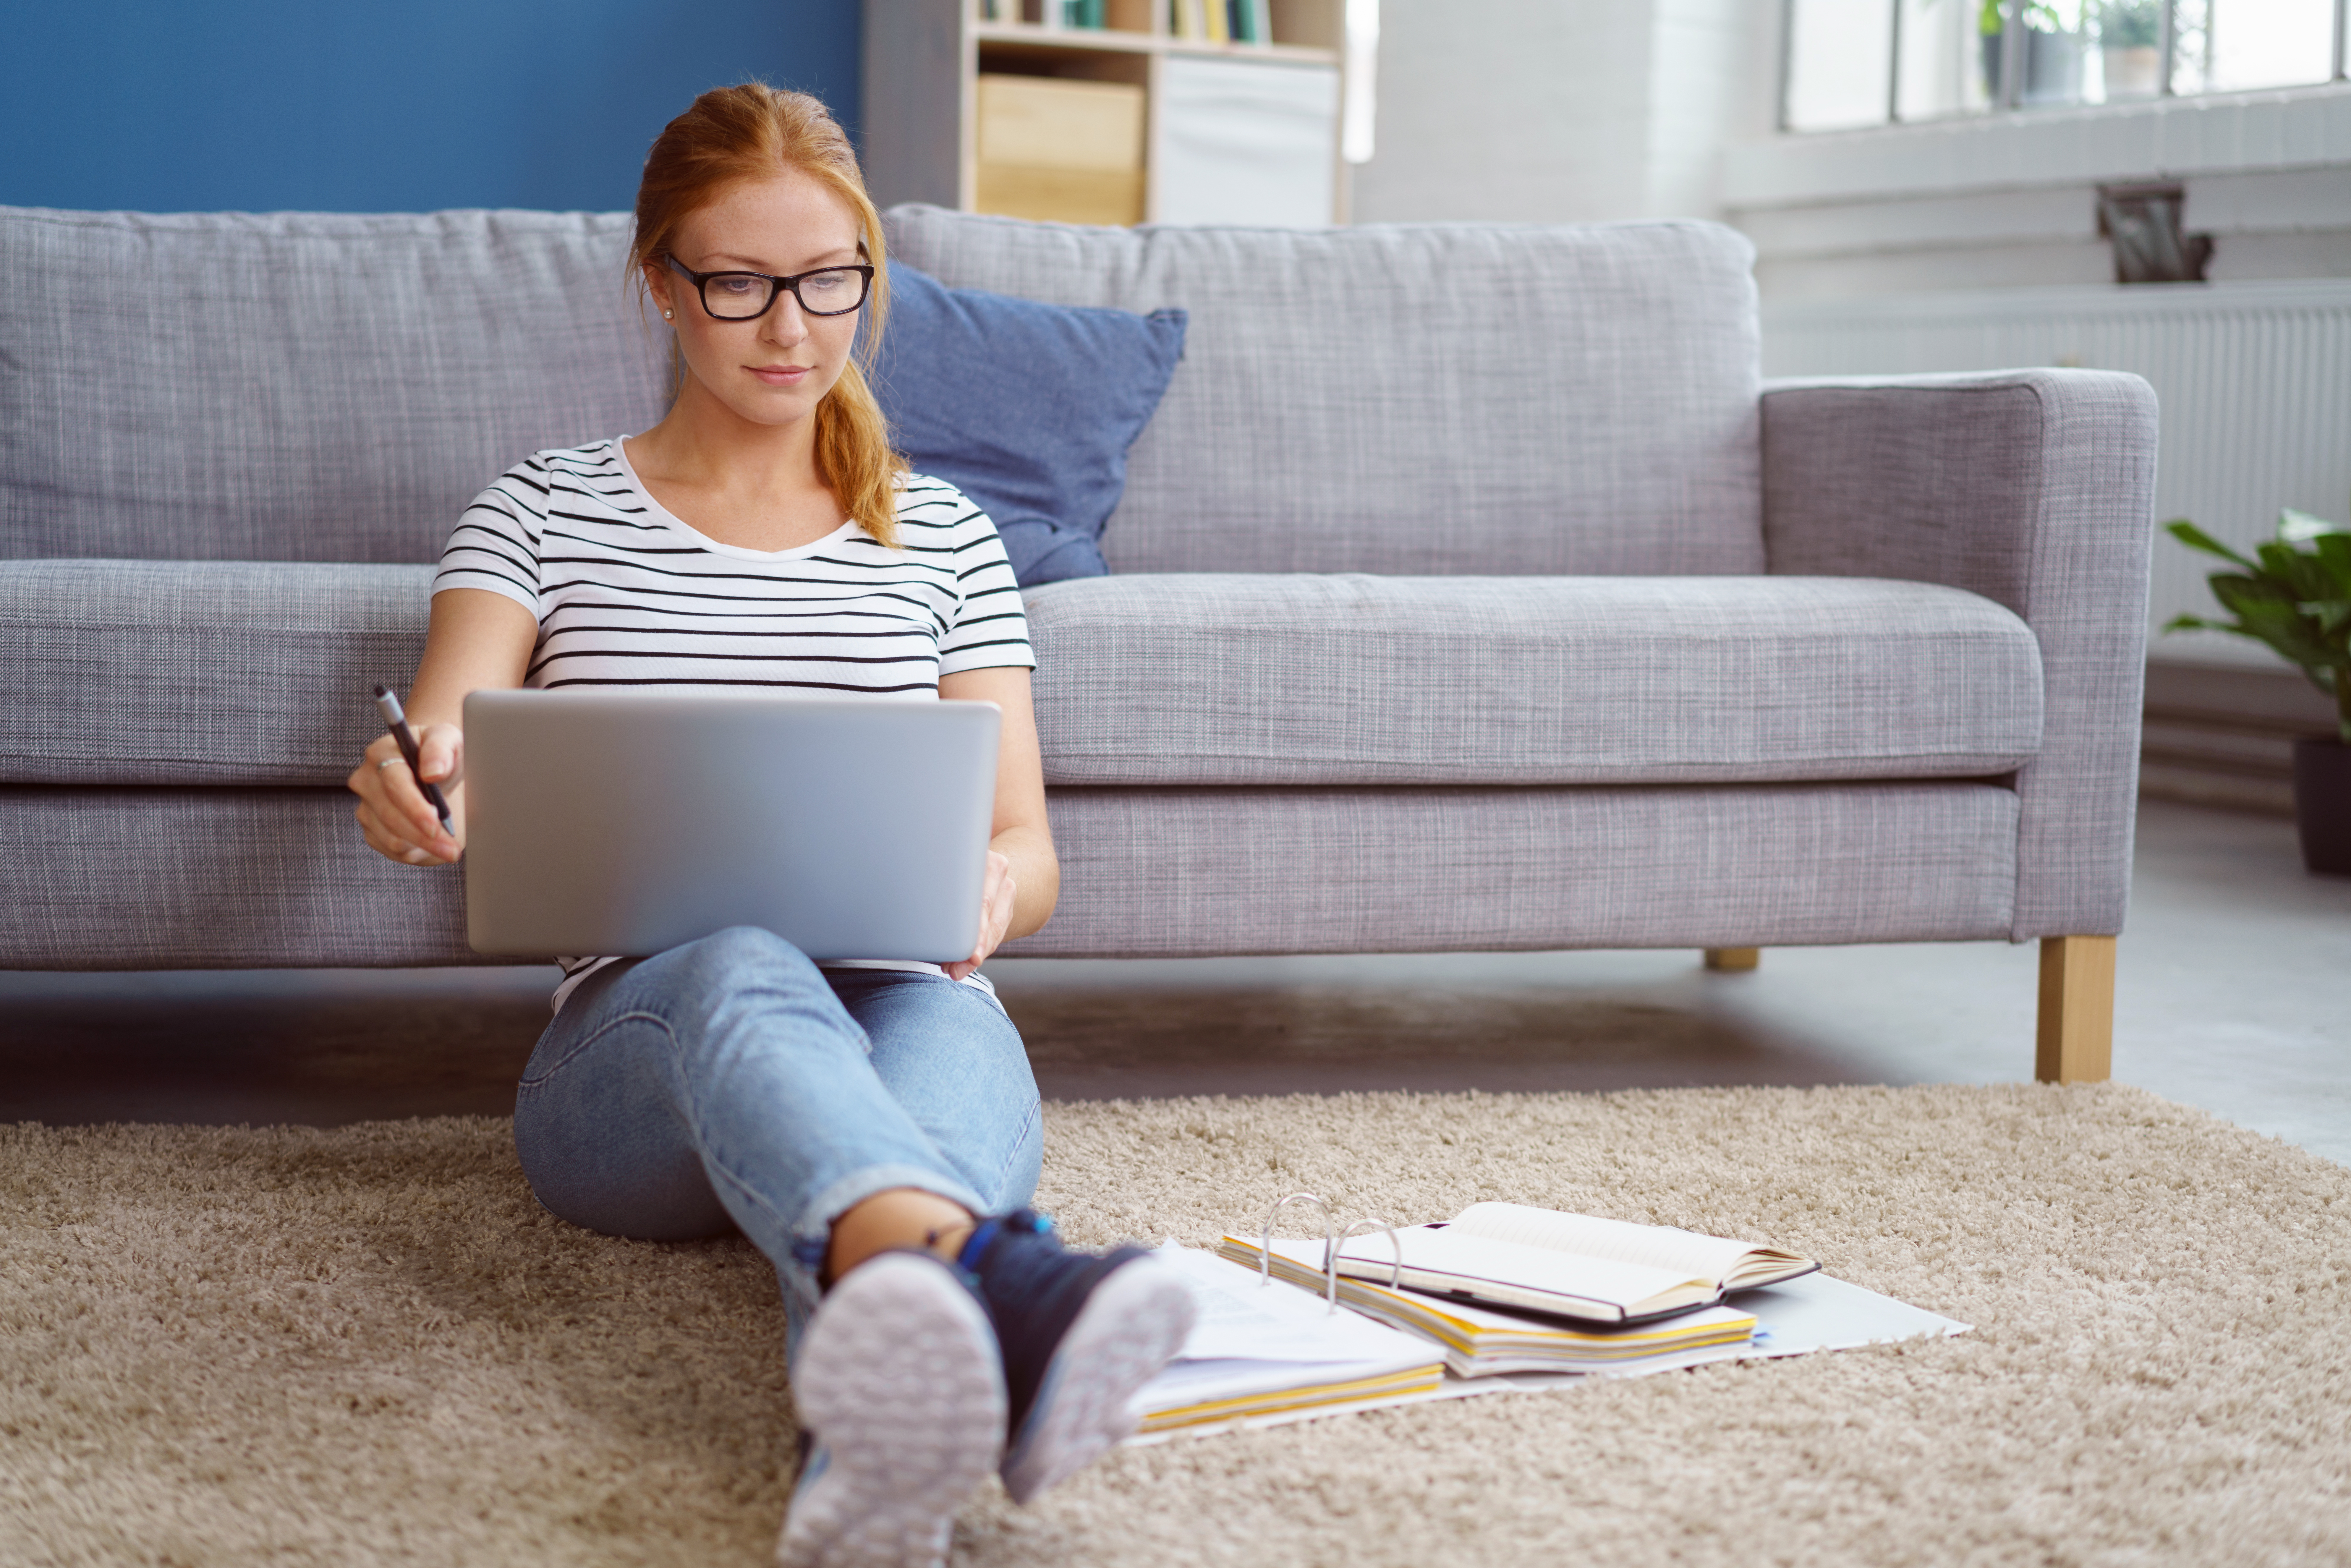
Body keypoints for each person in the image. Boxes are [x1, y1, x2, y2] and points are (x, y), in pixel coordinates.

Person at [346, 82, 1194, 1568]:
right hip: (638, 1068)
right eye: (738, 284)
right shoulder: (538, 511)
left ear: (867, 273)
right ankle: (1010, 1290)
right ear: (661, 283)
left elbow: (1027, 846)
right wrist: (421, 795)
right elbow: (451, 739)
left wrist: (988, 896)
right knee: (739, 953)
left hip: (912, 1002)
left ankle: (874, 1446)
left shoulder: (943, 535)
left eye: (828, 282)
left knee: (940, 1056)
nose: (791, 329)